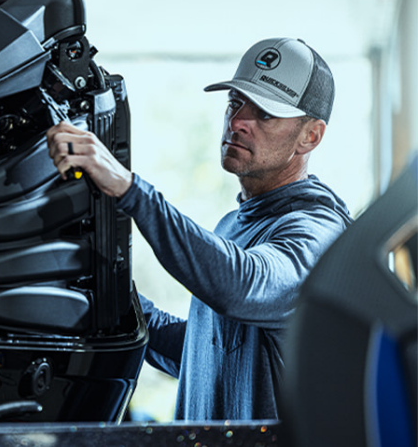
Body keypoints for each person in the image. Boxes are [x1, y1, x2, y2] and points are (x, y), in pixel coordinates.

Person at [46, 37, 353, 421]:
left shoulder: (319, 234)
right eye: (235, 103)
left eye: (265, 114)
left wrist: (128, 188)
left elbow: (242, 285)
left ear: (311, 136)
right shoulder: (238, 222)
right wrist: (107, 288)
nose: (238, 122)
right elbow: (201, 355)